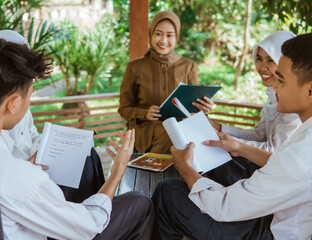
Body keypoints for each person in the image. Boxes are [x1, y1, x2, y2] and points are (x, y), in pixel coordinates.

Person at [0, 37, 154, 239]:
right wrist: (116, 173)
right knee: (139, 202)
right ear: (12, 104)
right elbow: (88, 226)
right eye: (29, 96)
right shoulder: (19, 179)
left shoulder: (12, 173)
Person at [152, 33, 312, 240]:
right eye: (259, 58)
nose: (273, 85)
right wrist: (240, 147)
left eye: (280, 80)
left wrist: (186, 169)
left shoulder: (300, 153)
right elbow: (285, 163)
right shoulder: (303, 137)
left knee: (168, 194)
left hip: (272, 231)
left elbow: (224, 207)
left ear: (309, 91)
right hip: (279, 214)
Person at [0, 30, 105, 203]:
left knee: (85, 157)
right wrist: (116, 173)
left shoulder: (6, 107)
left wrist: (57, 144)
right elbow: (4, 177)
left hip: (29, 170)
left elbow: (32, 136)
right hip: (21, 183)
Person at [194, 31, 302, 186]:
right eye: (259, 59)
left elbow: (271, 150)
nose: (262, 67)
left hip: (275, 179)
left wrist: (231, 143)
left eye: (270, 60)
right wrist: (219, 128)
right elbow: (259, 135)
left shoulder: (295, 104)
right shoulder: (273, 95)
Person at [118, 11, 199, 154]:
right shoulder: (135, 67)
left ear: (177, 37)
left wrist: (203, 107)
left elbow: (194, 105)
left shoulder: (188, 66)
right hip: (146, 131)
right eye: (158, 34)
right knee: (170, 134)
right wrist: (145, 113)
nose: (163, 41)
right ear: (151, 34)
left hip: (180, 127)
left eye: (169, 35)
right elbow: (124, 108)